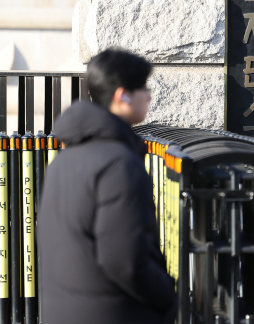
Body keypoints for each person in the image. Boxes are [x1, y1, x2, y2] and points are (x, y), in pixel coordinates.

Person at [38, 49, 178, 324]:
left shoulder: (63, 160)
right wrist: (169, 297)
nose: (148, 96)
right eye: (142, 88)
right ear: (122, 95)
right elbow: (123, 260)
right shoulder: (119, 164)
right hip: (114, 313)